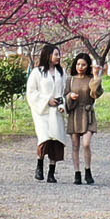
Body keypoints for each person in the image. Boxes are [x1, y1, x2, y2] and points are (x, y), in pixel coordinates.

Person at [27, 46, 72, 182]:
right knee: (44, 138)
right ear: (48, 55)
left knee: (56, 140)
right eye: (56, 54)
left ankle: (51, 172)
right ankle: (39, 165)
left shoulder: (62, 72)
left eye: (59, 54)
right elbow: (31, 92)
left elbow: (65, 91)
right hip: (42, 111)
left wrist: (62, 102)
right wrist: (47, 100)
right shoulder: (37, 72)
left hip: (57, 111)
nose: (58, 57)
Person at [63, 53, 105, 184]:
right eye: (78, 64)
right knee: (75, 145)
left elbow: (95, 93)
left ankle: (88, 170)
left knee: (86, 144)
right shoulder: (70, 80)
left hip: (87, 113)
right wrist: (70, 96)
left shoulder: (91, 79)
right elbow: (64, 96)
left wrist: (96, 75)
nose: (80, 67)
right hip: (74, 114)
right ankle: (77, 173)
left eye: (83, 64)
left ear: (88, 66)